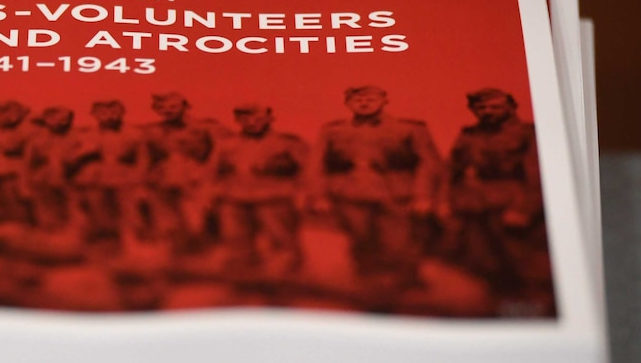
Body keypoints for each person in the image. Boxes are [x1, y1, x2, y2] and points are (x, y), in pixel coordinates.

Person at [313, 86, 442, 288]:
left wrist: (423, 195)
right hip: (350, 192)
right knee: (360, 239)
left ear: (384, 101)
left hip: (396, 192)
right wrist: (319, 195)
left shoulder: (410, 128)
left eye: (370, 99)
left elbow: (429, 163)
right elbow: (317, 164)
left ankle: (406, 284)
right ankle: (368, 284)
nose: (364, 104)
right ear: (348, 104)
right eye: (357, 100)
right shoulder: (333, 130)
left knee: (399, 242)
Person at [448, 88, 552, 310]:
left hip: (513, 201)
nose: (488, 112)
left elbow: (537, 174)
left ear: (511, 107)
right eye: (482, 108)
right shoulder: (469, 134)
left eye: (495, 107)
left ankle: (534, 309)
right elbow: (452, 170)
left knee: (523, 261)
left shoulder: (529, 133)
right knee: (481, 261)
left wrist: (525, 209)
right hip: (475, 206)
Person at [213, 104, 307, 272]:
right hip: (235, 197)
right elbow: (212, 170)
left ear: (269, 118)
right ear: (237, 120)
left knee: (282, 242)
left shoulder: (287, 142)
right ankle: (242, 279)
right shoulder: (226, 144)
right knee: (236, 241)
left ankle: (286, 281)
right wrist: (210, 194)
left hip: (274, 197)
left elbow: (308, 169)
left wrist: (305, 196)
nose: (251, 122)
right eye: (245, 119)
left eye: (257, 118)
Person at [142, 92, 231, 250]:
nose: (168, 111)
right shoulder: (153, 131)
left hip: (199, 175)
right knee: (167, 216)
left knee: (198, 214)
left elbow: (223, 151)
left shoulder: (207, 126)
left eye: (173, 106)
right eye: (162, 108)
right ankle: (178, 248)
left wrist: (210, 174)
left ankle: (205, 245)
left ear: (184, 106)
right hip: (167, 177)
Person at [70, 100, 148, 247]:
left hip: (124, 175)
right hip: (97, 176)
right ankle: (104, 238)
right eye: (103, 113)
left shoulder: (135, 134)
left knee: (128, 207)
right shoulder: (88, 135)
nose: (109, 117)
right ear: (94, 115)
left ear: (122, 113)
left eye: (114, 112)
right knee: (98, 205)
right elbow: (76, 158)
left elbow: (143, 158)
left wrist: (139, 178)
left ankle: (132, 239)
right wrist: (84, 154)